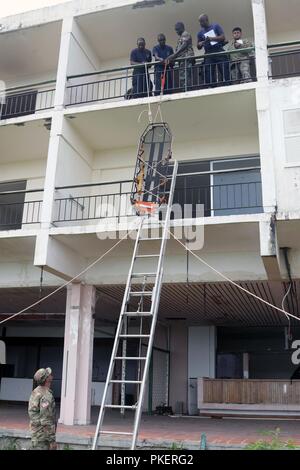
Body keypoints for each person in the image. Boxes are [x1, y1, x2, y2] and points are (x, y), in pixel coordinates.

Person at [197, 14, 230, 87]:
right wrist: (201, 43)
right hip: (208, 53)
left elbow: (223, 37)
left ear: (207, 20)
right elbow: (198, 46)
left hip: (218, 50)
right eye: (199, 22)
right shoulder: (200, 33)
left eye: (202, 21)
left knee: (224, 69)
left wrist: (211, 38)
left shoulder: (215, 26)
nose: (200, 23)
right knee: (208, 72)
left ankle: (227, 85)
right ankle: (212, 87)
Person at [28, 367, 57, 450]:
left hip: (36, 435)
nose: (51, 375)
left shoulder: (36, 391)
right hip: (43, 438)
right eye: (49, 374)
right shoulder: (46, 396)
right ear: (47, 379)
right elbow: (46, 420)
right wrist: (52, 441)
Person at [167, 22, 195, 91]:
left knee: (185, 76)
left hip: (186, 59)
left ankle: (187, 90)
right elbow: (179, 50)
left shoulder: (185, 34)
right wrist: (172, 57)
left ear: (182, 28)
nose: (176, 31)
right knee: (183, 77)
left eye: (177, 29)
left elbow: (184, 46)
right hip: (182, 60)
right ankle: (185, 89)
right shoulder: (180, 37)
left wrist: (174, 55)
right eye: (175, 30)